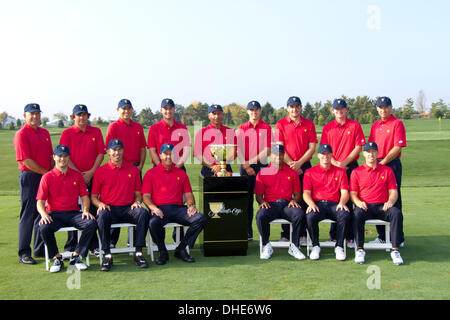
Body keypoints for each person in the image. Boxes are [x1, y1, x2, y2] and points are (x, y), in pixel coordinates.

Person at [142, 143, 207, 265]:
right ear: (160, 155)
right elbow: (145, 196)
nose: (168, 157)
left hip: (178, 209)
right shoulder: (151, 173)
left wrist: (191, 205)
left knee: (200, 218)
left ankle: (181, 248)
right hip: (160, 208)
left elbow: (188, 194)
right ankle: (162, 251)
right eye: (165, 154)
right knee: (153, 222)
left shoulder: (181, 173)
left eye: (171, 154)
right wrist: (153, 208)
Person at [91, 139, 150, 271]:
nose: (117, 153)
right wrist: (100, 204)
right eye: (114, 150)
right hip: (109, 208)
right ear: (108, 152)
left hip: (128, 208)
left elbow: (138, 193)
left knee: (143, 213)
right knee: (102, 215)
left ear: (123, 151)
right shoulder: (100, 171)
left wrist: (137, 202)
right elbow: (93, 197)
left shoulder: (133, 170)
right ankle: (107, 254)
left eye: (119, 149)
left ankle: (138, 252)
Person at [36, 145, 97, 273]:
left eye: (65, 156)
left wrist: (85, 210)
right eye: (59, 156)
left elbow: (85, 197)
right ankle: (57, 257)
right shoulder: (47, 177)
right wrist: (43, 214)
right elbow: (40, 202)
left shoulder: (76, 175)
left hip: (73, 213)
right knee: (44, 227)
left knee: (91, 223)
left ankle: (76, 256)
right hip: (55, 214)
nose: (62, 159)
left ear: (68, 158)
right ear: (54, 157)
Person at [59, 104, 106, 252]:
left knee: (92, 208)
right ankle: (71, 245)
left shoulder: (96, 131)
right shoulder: (67, 134)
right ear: (74, 117)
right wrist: (79, 174)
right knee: (73, 210)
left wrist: (91, 172)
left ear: (88, 116)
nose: (82, 117)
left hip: (92, 176)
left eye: (84, 115)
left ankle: (93, 245)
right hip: (73, 177)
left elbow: (100, 153)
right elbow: (65, 157)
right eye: (79, 115)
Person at [320, 98, 366, 246]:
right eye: (336, 109)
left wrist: (344, 163)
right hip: (333, 167)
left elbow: (358, 147)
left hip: (350, 167)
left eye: (342, 109)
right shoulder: (328, 127)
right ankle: (334, 235)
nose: (339, 111)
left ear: (347, 110)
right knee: (335, 200)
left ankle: (351, 236)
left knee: (352, 200)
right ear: (333, 111)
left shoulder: (355, 125)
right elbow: (324, 150)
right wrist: (336, 164)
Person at [350, 142, 404, 265]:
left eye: (374, 151)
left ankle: (395, 250)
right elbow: (353, 194)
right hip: (365, 206)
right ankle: (359, 249)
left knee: (396, 213)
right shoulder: (356, 172)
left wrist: (390, 202)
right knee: (357, 214)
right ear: (364, 154)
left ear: (377, 153)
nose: (371, 154)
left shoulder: (387, 170)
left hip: (382, 206)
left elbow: (393, 192)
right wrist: (358, 202)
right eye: (368, 152)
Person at [14, 103, 54, 264]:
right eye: (32, 114)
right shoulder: (21, 134)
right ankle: (24, 252)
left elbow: (51, 157)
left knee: (42, 212)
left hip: (44, 176)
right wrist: (46, 174)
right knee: (29, 214)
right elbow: (26, 160)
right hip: (30, 177)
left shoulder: (44, 132)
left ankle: (39, 249)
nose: (35, 117)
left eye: (37, 113)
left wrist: (51, 172)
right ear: (25, 116)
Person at [275, 96, 317, 243]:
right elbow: (279, 148)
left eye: (297, 106)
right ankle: (286, 234)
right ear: (287, 108)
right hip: (286, 166)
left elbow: (312, 148)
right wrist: (293, 164)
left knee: (304, 199)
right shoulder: (281, 124)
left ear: (301, 107)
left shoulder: (309, 124)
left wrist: (299, 163)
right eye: (291, 107)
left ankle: (303, 234)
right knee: (286, 198)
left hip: (304, 166)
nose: (294, 109)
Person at [105, 99, 147, 247]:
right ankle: (111, 242)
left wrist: (140, 166)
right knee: (117, 202)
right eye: (124, 109)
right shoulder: (113, 127)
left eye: (129, 109)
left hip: (135, 170)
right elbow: (110, 150)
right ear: (118, 110)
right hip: (118, 170)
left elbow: (142, 148)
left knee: (136, 203)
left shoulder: (138, 127)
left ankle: (135, 241)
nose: (126, 111)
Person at [254, 144, 307, 260]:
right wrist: (262, 202)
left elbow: (298, 194)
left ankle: (294, 246)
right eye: (275, 154)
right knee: (260, 216)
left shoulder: (292, 173)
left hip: (287, 204)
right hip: (270, 205)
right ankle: (266, 245)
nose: (278, 157)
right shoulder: (263, 173)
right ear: (270, 156)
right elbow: (258, 195)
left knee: (298, 213)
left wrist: (294, 200)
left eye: (280, 154)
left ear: (283, 155)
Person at [368, 97, 407, 246]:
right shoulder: (376, 125)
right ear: (377, 109)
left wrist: (382, 163)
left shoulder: (397, 123)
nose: (383, 110)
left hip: (391, 164)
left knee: (394, 199)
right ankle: (383, 236)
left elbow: (397, 147)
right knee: (377, 197)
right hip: (377, 164)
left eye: (386, 107)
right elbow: (371, 147)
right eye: (380, 107)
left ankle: (399, 238)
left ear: (390, 108)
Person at [303, 144, 351, 261]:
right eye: (323, 154)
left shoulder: (340, 172)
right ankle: (315, 246)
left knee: (344, 215)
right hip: (318, 204)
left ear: (331, 155)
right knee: (310, 217)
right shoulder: (310, 172)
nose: (325, 156)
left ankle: (339, 246)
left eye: (328, 154)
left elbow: (345, 192)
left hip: (334, 204)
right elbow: (306, 193)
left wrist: (342, 203)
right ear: (318, 155)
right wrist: (311, 204)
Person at [236, 100, 272, 241]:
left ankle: (265, 234)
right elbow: (238, 149)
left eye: (256, 110)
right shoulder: (242, 128)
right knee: (247, 201)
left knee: (264, 200)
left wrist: (249, 162)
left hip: (262, 168)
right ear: (248, 112)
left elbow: (268, 150)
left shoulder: (266, 128)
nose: (254, 112)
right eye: (251, 110)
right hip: (245, 168)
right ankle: (247, 232)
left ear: (260, 111)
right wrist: (246, 166)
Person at [193, 104, 237, 177]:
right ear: (209, 116)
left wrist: (221, 165)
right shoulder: (201, 133)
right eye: (214, 114)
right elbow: (198, 154)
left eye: (219, 114)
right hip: (208, 169)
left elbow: (235, 152)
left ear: (222, 115)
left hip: (226, 169)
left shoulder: (230, 132)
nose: (216, 116)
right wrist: (212, 166)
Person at [147, 98, 191, 170]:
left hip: (178, 168)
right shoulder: (154, 128)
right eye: (165, 109)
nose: (168, 111)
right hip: (159, 168)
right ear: (161, 110)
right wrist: (160, 167)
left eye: (170, 108)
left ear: (174, 109)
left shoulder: (182, 128)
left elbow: (186, 151)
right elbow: (152, 150)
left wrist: (177, 167)